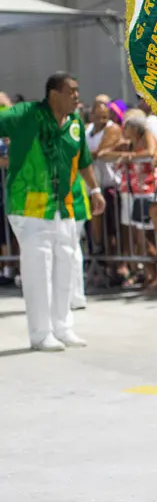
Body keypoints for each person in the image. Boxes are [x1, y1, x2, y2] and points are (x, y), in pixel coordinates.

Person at [0, 72, 106, 351]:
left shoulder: (74, 124)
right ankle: (41, 333)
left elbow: (83, 160)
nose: (76, 96)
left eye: (77, 90)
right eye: (70, 91)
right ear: (53, 94)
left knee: (65, 267)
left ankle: (63, 327)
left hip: (64, 205)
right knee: (38, 271)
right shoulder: (26, 114)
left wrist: (94, 191)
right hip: (30, 204)